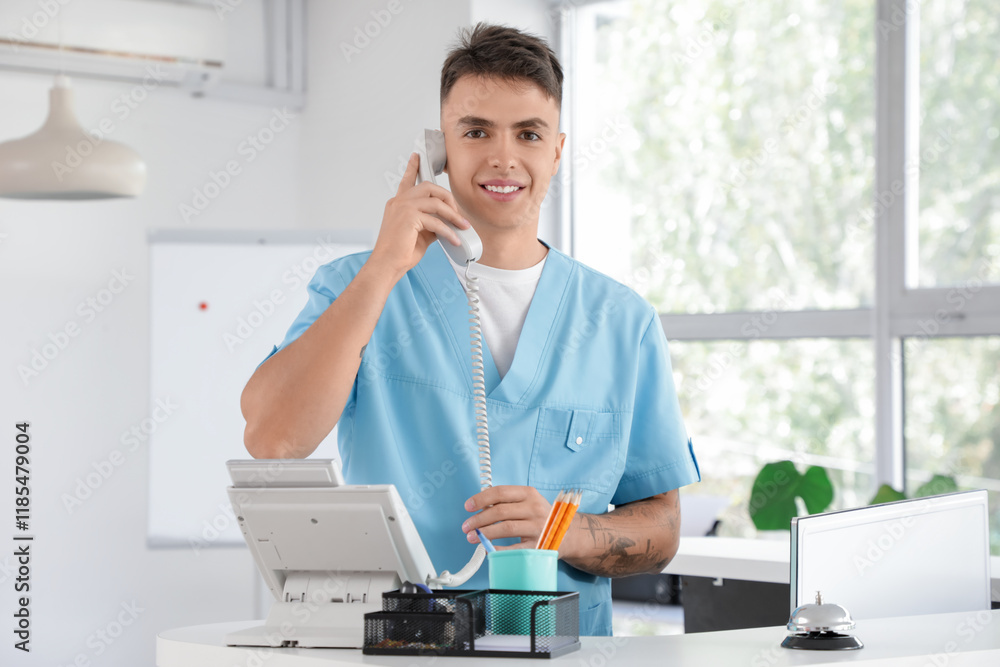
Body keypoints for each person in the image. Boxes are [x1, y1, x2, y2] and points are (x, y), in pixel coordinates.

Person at [241, 22, 700, 636]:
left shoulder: (622, 321)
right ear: (439, 149)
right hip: (405, 645)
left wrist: (562, 530)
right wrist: (384, 267)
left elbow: (662, 529)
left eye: (528, 134)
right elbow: (272, 439)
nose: (503, 158)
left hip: (561, 649)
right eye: (476, 131)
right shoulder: (359, 285)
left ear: (556, 151)